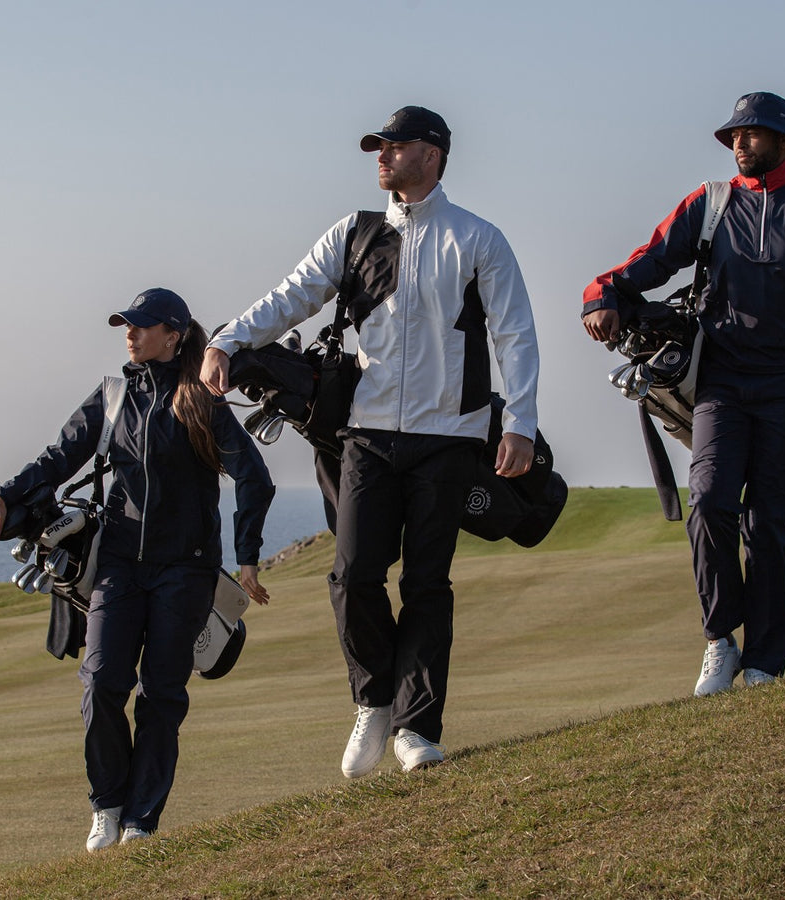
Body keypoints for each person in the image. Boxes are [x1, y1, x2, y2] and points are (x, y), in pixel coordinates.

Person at [201, 106, 541, 778]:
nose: (381, 156)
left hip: (450, 435)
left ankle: (417, 727)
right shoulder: (355, 234)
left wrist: (521, 424)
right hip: (369, 432)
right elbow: (292, 294)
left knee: (426, 584)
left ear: (432, 154)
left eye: (394, 146)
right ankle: (374, 699)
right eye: (378, 147)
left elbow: (514, 333)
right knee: (351, 574)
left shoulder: (478, 239)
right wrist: (226, 338)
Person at [582, 91, 785, 696]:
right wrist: (602, 293)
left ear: (783, 141)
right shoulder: (711, 204)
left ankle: (766, 663)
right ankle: (721, 639)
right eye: (733, 135)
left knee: (768, 519)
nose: (739, 143)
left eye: (751, 134)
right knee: (710, 499)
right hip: (721, 378)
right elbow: (650, 261)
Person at [0, 287, 275, 851]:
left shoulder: (202, 401)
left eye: (141, 326)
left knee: (162, 696)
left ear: (174, 335)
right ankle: (107, 805)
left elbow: (255, 478)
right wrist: (3, 494)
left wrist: (249, 555)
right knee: (101, 681)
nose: (130, 335)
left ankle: (141, 820)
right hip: (118, 565)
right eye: (126, 327)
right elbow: (58, 455)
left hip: (185, 571)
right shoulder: (113, 396)